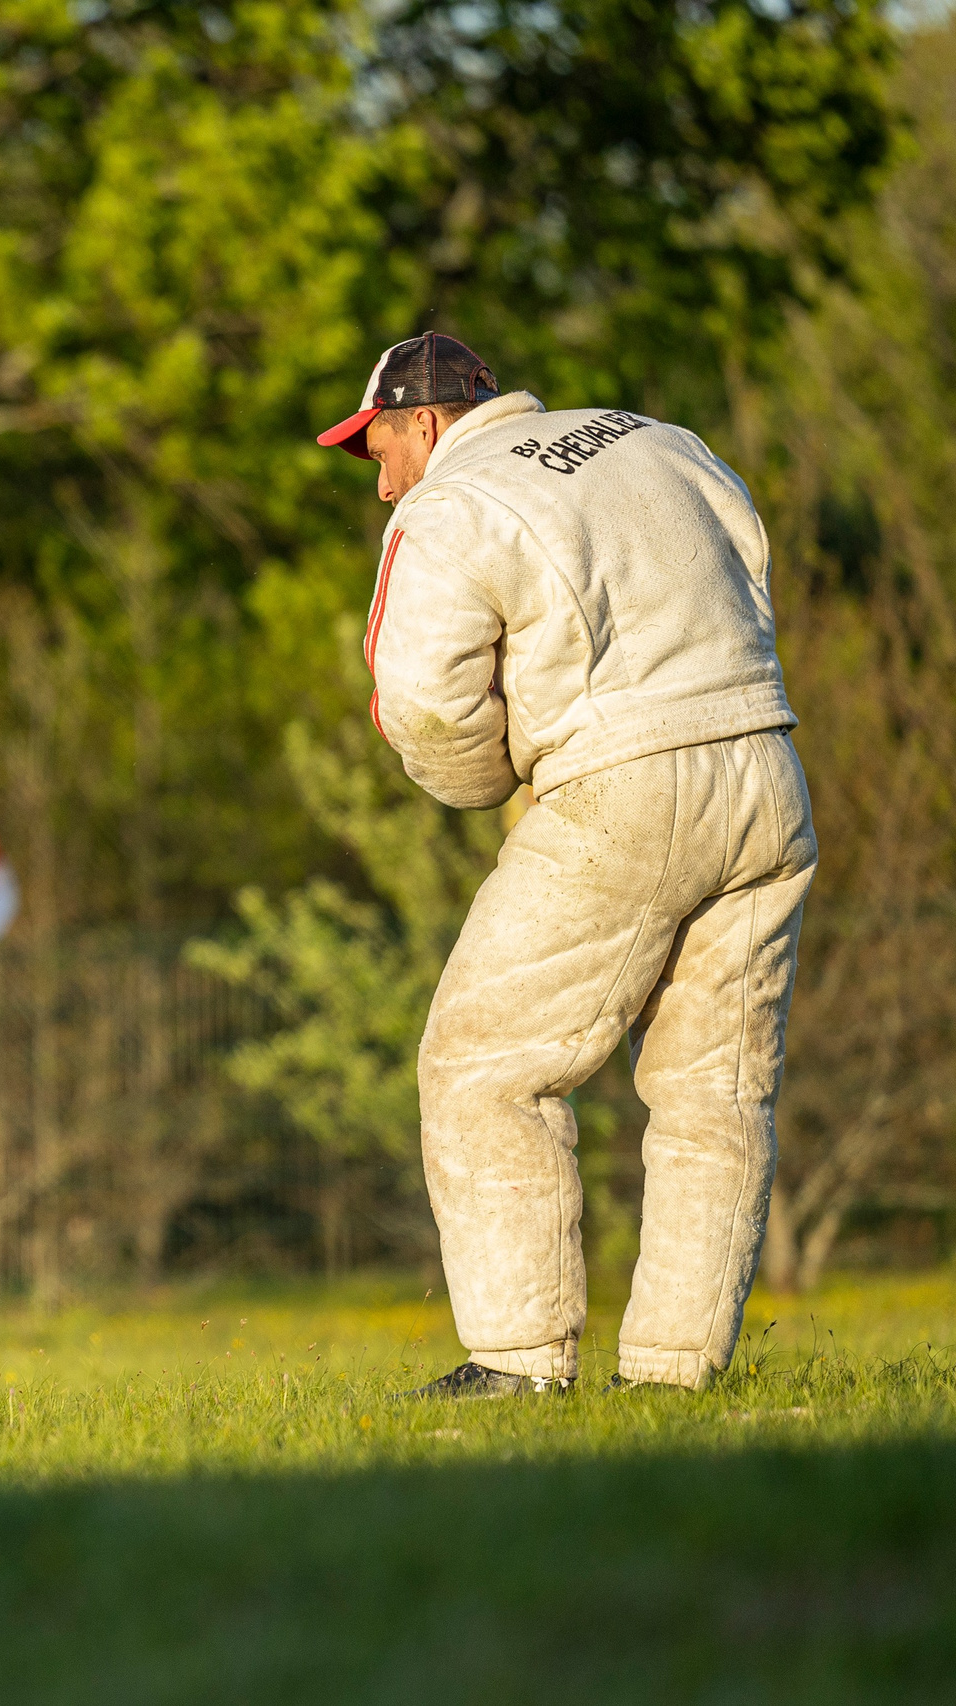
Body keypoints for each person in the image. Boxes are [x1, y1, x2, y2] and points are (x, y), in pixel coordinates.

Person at [318, 332, 817, 1396]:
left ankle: (517, 1358)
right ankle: (675, 1374)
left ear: (426, 421)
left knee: (481, 1063)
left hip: (619, 786)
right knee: (712, 1088)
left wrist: (493, 775)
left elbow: (420, 701)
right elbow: (752, 572)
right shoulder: (659, 439)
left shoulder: (447, 507)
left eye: (378, 452)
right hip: (765, 766)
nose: (380, 484)